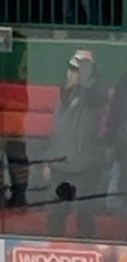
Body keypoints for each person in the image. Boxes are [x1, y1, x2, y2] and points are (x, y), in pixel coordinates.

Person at [43, 50, 105, 238]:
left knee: (84, 216)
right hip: (61, 168)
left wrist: (85, 62)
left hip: (84, 169)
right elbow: (58, 132)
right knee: (55, 216)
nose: (69, 74)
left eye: (75, 70)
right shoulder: (64, 97)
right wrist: (48, 162)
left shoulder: (95, 95)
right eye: (69, 69)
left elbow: (91, 91)